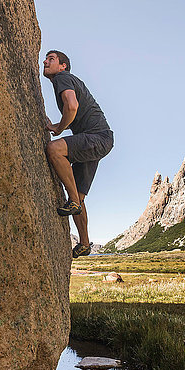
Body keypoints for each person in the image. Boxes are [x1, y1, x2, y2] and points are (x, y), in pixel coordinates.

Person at [43, 50, 114, 258]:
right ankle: (84, 243)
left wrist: (58, 129)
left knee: (54, 149)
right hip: (99, 139)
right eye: (46, 59)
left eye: (51, 59)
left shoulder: (62, 78)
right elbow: (73, 112)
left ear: (63, 65)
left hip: (95, 137)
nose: (45, 61)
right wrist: (58, 125)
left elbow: (71, 107)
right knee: (79, 197)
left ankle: (72, 200)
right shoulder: (69, 79)